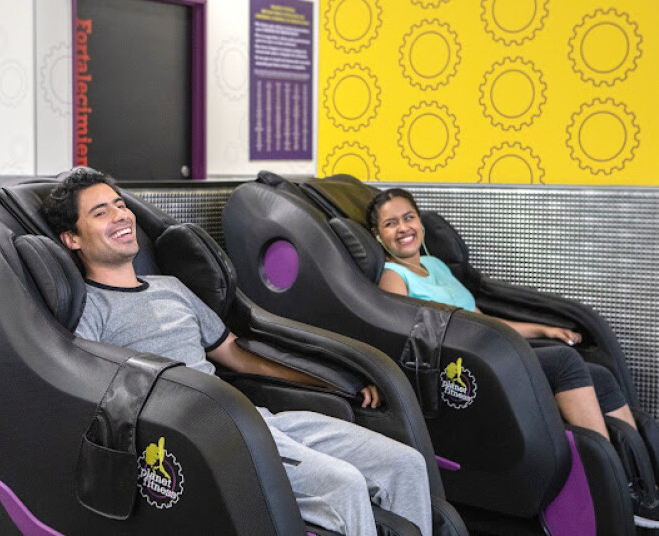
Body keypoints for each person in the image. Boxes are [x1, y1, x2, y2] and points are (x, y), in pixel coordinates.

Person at [42, 169, 432, 536]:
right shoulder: (89, 309)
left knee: (405, 464)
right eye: (100, 212)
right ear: (72, 239)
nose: (120, 215)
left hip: (253, 418)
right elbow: (92, 394)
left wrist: (334, 383)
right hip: (206, 437)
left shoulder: (172, 287)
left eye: (119, 204)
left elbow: (238, 356)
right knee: (343, 484)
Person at [366, 188, 659, 532]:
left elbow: (483, 320)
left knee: (600, 375)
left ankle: (638, 485)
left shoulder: (434, 265)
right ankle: (610, 487)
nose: (403, 228)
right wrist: (380, 376)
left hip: (494, 357)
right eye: (391, 223)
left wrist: (542, 329)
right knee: (564, 363)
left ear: (420, 222)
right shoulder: (393, 276)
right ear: (377, 234)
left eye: (409, 217)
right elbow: (400, 335)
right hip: (466, 372)